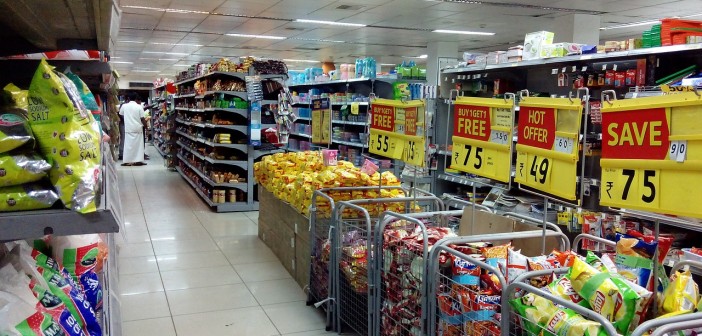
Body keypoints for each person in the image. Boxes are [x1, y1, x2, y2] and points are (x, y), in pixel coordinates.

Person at [119, 92, 147, 166]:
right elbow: (142, 119)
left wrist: (126, 120)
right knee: (138, 146)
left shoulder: (124, 106)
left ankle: (127, 161)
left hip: (128, 128)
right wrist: (146, 126)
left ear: (128, 98)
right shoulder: (139, 107)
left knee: (128, 145)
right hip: (138, 128)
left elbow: (120, 114)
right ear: (135, 98)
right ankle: (138, 161)